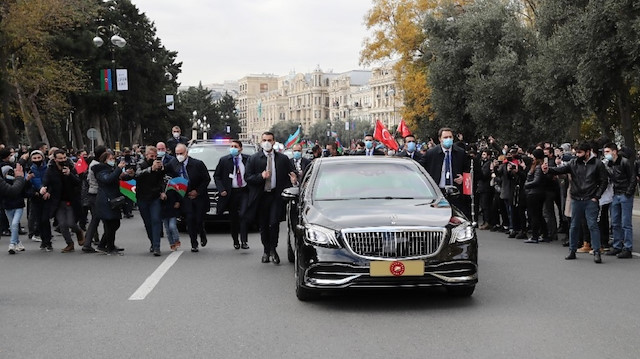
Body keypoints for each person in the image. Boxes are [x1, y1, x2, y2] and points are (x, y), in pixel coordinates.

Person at [543, 141, 608, 263]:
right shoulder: (573, 163)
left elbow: (604, 181)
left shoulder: (598, 164)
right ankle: (572, 250)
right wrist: (548, 170)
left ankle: (596, 251)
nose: (577, 155)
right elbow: (561, 169)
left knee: (592, 225)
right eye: (576, 152)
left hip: (590, 199)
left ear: (588, 152)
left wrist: (597, 196)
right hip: (577, 198)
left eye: (580, 152)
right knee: (574, 225)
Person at [245, 132, 297, 264]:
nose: (267, 142)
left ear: (274, 142)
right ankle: (266, 250)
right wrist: (260, 177)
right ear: (261, 142)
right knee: (263, 225)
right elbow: (248, 178)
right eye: (264, 140)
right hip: (261, 196)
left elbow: (292, 173)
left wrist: (294, 179)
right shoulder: (254, 158)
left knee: (274, 223)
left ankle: (273, 249)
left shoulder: (282, 159)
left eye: (269, 140)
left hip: (276, 196)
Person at [40, 149, 85, 253]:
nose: (63, 160)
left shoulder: (71, 167)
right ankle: (69, 244)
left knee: (71, 223)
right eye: (60, 158)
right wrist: (43, 188)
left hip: (71, 200)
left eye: (64, 158)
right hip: (58, 201)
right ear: (55, 159)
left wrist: (70, 174)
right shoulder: (50, 170)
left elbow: (78, 182)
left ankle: (79, 232)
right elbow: (45, 181)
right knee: (62, 224)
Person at [419, 127, 471, 218]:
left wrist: (463, 178)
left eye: (450, 137)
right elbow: (421, 168)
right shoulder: (431, 153)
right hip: (438, 192)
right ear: (440, 139)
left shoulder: (460, 152)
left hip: (455, 191)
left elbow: (468, 169)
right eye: (445, 137)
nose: (448, 139)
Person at [213, 140, 250, 249]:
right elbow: (217, 176)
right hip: (231, 193)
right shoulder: (224, 160)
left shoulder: (248, 159)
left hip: (244, 191)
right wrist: (221, 189)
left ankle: (244, 241)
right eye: (232, 146)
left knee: (243, 215)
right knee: (233, 218)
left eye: (236, 146)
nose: (233, 148)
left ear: (241, 149)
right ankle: (235, 240)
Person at [174, 143, 211, 252]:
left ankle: (202, 233)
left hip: (199, 197)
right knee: (190, 220)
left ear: (186, 153)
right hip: (185, 197)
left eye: (181, 153)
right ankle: (194, 243)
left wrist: (197, 191)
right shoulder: (174, 165)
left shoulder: (197, 164)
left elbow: (206, 179)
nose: (179, 156)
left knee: (198, 220)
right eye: (177, 154)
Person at [603, 143, 635, 258]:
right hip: (615, 194)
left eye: (607, 152)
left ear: (614, 151)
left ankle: (627, 248)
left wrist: (628, 192)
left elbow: (632, 178)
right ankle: (617, 246)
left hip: (624, 194)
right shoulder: (610, 164)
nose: (605, 154)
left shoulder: (625, 162)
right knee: (615, 222)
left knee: (626, 223)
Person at [135, 146, 168, 256]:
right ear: (146, 155)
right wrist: (150, 169)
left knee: (156, 220)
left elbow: (162, 180)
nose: (153, 158)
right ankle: (153, 242)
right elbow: (137, 175)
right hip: (142, 197)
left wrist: (162, 191)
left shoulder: (159, 166)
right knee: (148, 223)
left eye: (155, 156)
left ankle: (157, 246)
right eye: (151, 156)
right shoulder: (140, 164)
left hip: (155, 197)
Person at [93, 152, 127, 254]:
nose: (113, 161)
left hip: (113, 199)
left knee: (115, 223)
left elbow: (114, 178)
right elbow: (107, 179)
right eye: (110, 159)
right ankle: (110, 247)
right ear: (104, 160)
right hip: (105, 200)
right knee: (110, 224)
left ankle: (103, 245)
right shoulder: (101, 170)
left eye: (113, 159)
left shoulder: (110, 169)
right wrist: (118, 169)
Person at [81, 146, 107, 253]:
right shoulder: (97, 166)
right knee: (98, 219)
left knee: (95, 219)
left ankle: (88, 240)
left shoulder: (92, 164)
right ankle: (90, 243)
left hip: (93, 193)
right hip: (96, 194)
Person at [2, 165, 29, 254]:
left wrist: (26, 180)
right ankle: (18, 242)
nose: (9, 174)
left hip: (18, 206)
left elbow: (25, 192)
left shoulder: (19, 182)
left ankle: (12, 243)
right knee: (13, 225)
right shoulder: (3, 184)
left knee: (14, 224)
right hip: (8, 206)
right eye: (7, 173)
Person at [523, 149, 547, 243]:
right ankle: (544, 234)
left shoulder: (537, 167)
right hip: (536, 192)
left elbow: (537, 180)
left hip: (534, 193)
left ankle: (535, 235)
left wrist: (527, 184)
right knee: (538, 215)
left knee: (534, 215)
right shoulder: (538, 166)